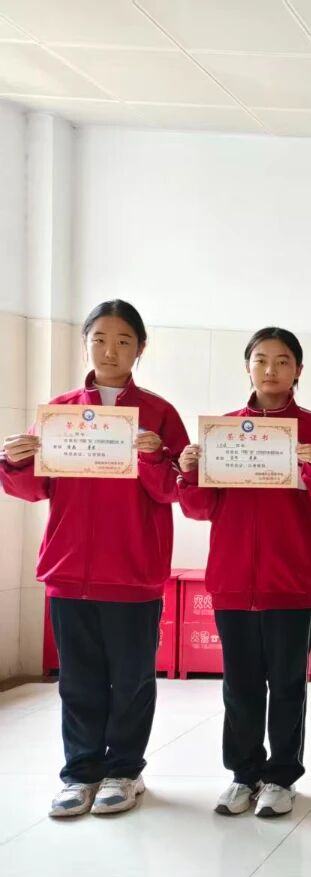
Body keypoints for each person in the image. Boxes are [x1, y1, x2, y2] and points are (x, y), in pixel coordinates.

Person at [2, 300, 188, 817]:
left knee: (131, 680)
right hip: (70, 570)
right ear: (85, 343)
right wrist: (14, 462)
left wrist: (153, 456)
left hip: (133, 571)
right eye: (100, 339)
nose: (110, 350)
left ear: (140, 348)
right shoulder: (59, 412)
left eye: (123, 340)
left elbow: (178, 489)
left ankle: (125, 771)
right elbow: (34, 488)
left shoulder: (160, 414)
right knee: (78, 682)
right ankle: (80, 773)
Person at [177, 328, 311, 818]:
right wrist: (190, 471)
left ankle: (281, 778)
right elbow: (200, 509)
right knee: (240, 685)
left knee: (289, 684)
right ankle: (243, 774)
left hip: (291, 581)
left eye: (283, 361)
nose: (271, 370)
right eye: (260, 360)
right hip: (232, 580)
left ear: (298, 370)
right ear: (247, 367)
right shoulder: (223, 431)